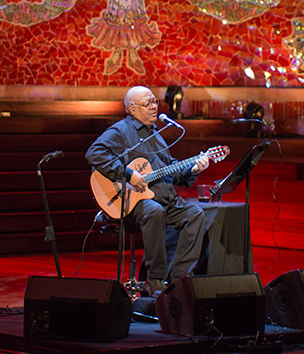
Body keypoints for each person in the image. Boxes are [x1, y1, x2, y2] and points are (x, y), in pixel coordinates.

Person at [86, 85, 214, 296]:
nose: (154, 107)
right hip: (131, 201)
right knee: (154, 211)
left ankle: (179, 279)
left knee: (194, 214)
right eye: (148, 104)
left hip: (163, 198)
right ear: (132, 108)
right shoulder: (120, 131)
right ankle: (154, 279)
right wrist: (128, 174)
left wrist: (193, 168)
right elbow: (94, 153)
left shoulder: (156, 134)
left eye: (155, 102)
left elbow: (170, 170)